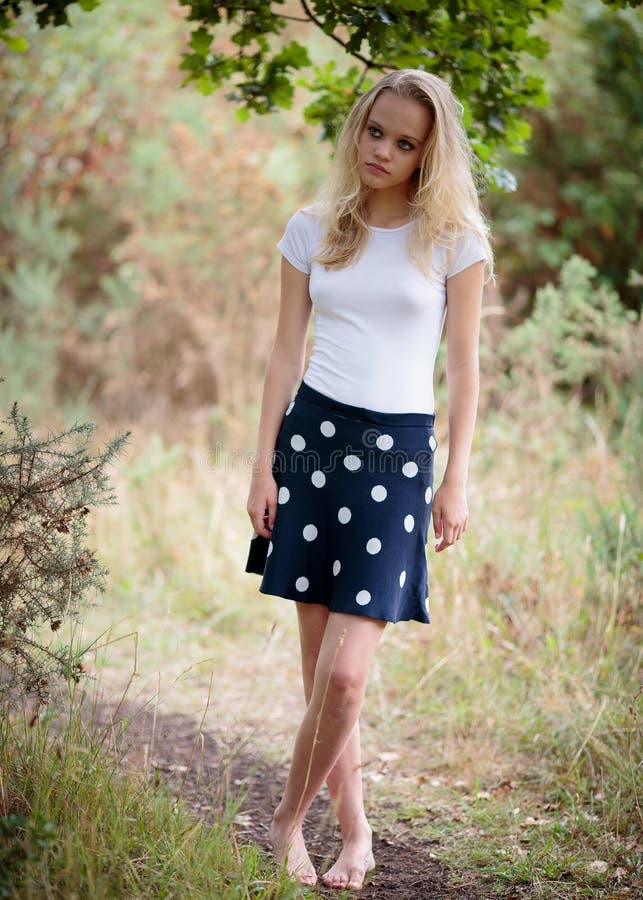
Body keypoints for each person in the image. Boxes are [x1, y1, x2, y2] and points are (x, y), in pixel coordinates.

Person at [245, 68, 493, 890]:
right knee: (321, 672)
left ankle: (283, 823)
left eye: (404, 140)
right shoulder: (311, 229)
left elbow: (463, 368)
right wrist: (261, 467)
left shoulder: (455, 240)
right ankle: (353, 832)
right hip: (310, 444)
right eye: (373, 131)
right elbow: (285, 352)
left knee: (346, 675)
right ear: (357, 128)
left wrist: (455, 480)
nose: (382, 150)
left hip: (398, 457)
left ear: (430, 152)